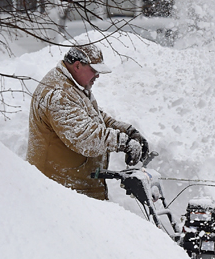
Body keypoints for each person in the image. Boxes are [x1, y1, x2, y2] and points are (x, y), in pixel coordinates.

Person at [26, 43, 149, 200]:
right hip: (57, 192)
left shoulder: (73, 86)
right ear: (77, 65)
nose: (98, 76)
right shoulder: (59, 95)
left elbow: (94, 117)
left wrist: (128, 131)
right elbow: (86, 137)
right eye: (95, 70)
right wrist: (123, 142)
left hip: (76, 188)